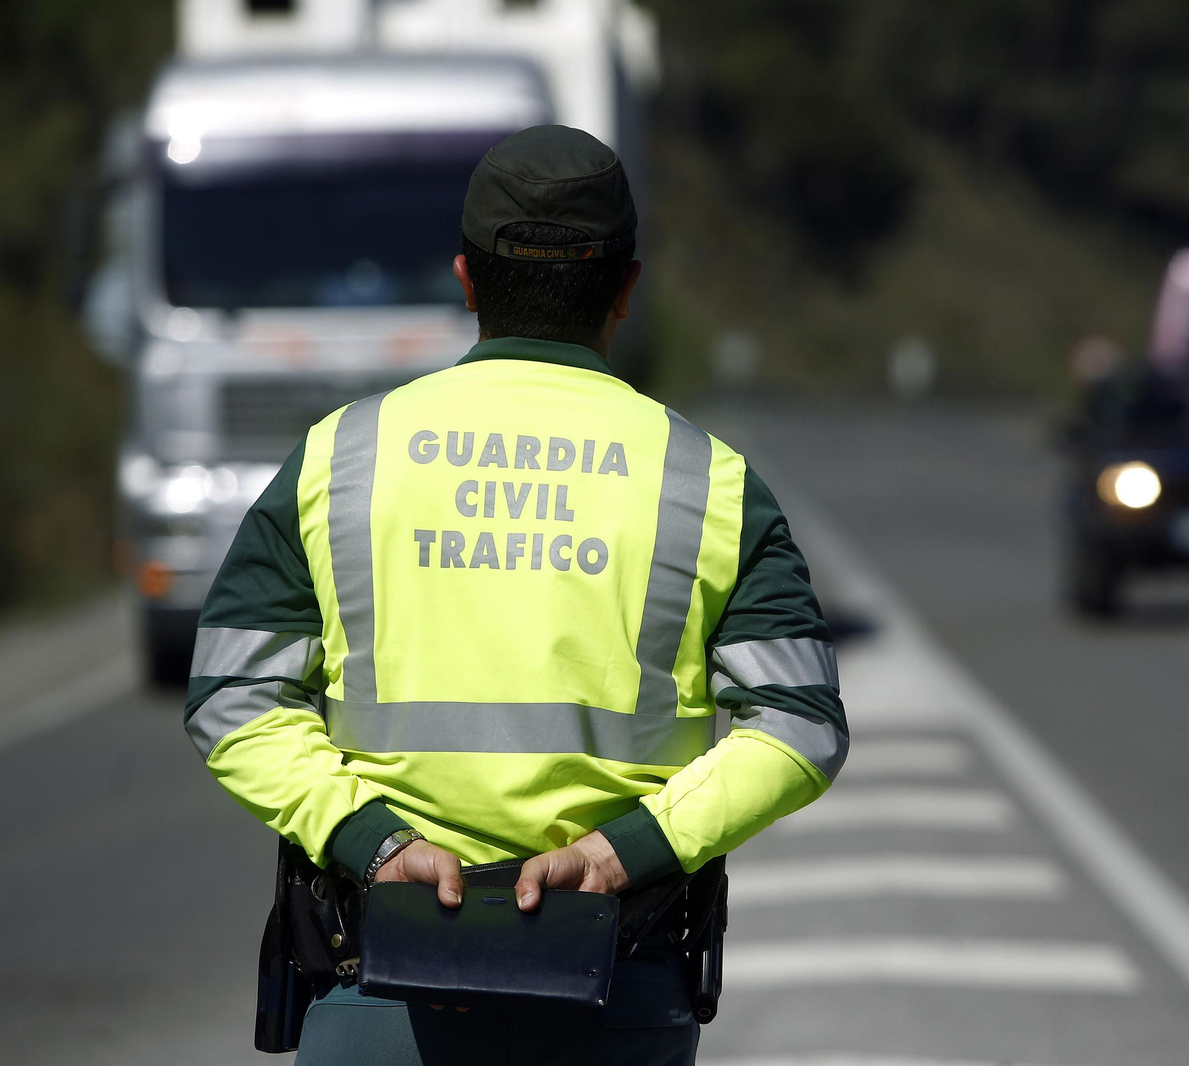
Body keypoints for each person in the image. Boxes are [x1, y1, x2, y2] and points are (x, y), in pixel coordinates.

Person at [184, 124, 848, 1065]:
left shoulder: (341, 457)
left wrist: (374, 843)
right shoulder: (711, 483)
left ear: (465, 279)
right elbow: (799, 724)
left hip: (381, 989)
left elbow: (232, 696)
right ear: (626, 287)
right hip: (615, 995)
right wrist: (628, 853)